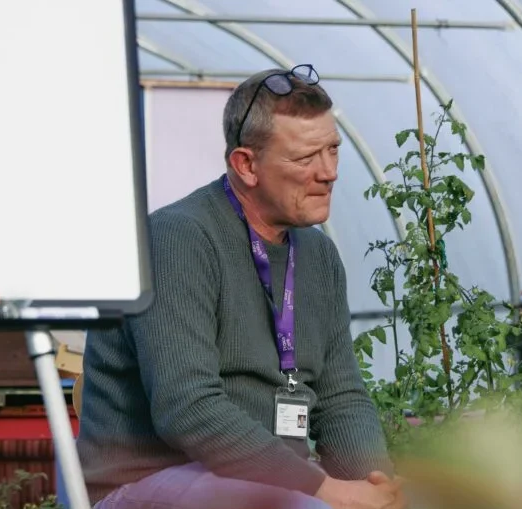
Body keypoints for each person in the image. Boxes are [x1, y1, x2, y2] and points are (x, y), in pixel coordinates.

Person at [76, 65, 408, 509]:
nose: (328, 172)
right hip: (148, 482)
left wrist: (375, 488)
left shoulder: (319, 256)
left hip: (273, 488)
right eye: (306, 157)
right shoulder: (176, 239)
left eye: (333, 150)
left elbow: (342, 397)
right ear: (246, 165)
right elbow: (188, 409)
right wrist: (323, 490)